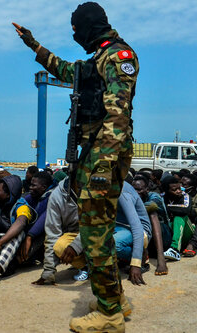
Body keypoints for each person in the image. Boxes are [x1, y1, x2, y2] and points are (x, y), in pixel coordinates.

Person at [15, 2, 139, 329]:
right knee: (95, 231)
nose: (74, 35)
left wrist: (101, 166)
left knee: (96, 235)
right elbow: (68, 71)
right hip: (94, 152)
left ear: (89, 26)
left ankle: (110, 315)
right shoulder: (97, 59)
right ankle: (115, 298)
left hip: (104, 153)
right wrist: (33, 44)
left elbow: (117, 116)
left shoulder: (117, 57)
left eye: (76, 30)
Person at [0, 174, 36, 286]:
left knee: (18, 233)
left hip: (16, 245)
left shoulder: (21, 206)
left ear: (8, 194)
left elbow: (20, 223)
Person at [132, 175, 169, 276]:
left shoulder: (154, 196)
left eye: (139, 189)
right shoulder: (131, 198)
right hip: (146, 241)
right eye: (133, 189)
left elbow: (152, 205)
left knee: (152, 213)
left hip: (163, 237)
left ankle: (161, 258)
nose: (136, 192)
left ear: (147, 189)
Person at [160, 176, 195, 261]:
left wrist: (166, 208)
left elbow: (185, 210)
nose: (179, 191)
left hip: (187, 231)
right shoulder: (161, 198)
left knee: (179, 217)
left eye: (179, 188)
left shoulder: (185, 196)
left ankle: (175, 250)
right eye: (174, 190)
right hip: (170, 230)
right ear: (166, 190)